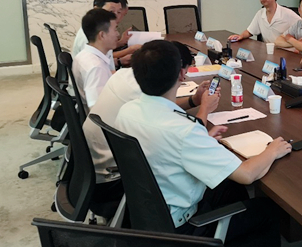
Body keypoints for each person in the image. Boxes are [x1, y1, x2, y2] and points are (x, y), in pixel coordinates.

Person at [115, 40, 290, 247]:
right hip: (182, 228)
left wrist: (201, 141)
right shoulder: (184, 130)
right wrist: (272, 150)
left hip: (150, 213)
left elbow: (160, 144)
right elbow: (246, 175)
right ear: (182, 74)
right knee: (267, 210)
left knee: (229, 188)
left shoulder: (127, 111)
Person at [82, 42, 218, 203]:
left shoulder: (123, 78)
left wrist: (193, 100)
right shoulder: (142, 95)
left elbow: (164, 108)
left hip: (97, 169)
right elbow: (182, 134)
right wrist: (205, 109)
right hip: (116, 183)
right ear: (179, 71)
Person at [72, 0, 139, 67]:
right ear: (96, 9)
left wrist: (119, 61)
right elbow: (95, 66)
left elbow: (105, 60)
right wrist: (130, 50)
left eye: (119, 12)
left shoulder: (101, 30)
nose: (116, 16)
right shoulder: (89, 35)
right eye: (111, 11)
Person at [72, 8, 119, 110]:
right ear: (102, 35)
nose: (118, 34)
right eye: (115, 29)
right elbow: (97, 110)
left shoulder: (84, 54)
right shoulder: (96, 68)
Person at [228, 0, 300, 44]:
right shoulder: (260, 13)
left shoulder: (287, 13)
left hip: (286, 51)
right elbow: (250, 31)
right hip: (269, 50)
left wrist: (298, 46)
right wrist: (240, 36)